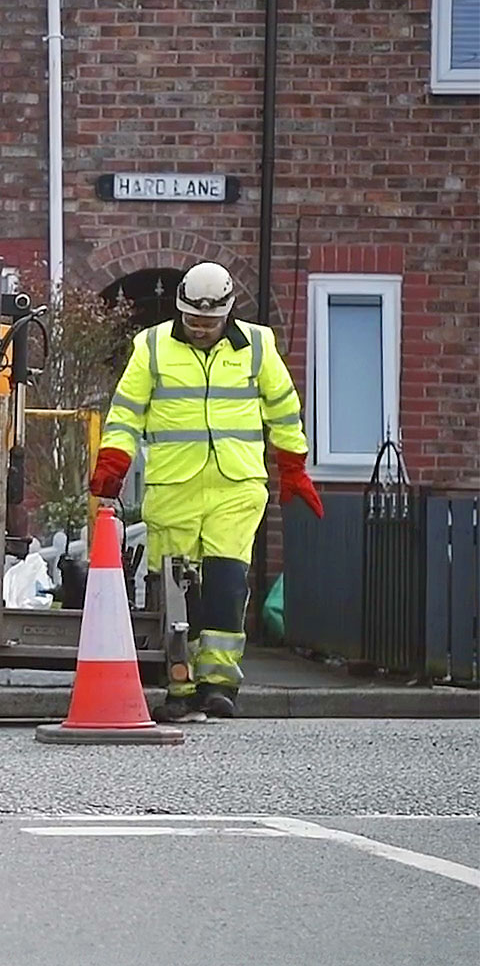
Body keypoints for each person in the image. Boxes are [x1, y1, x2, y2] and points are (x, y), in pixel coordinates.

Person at [88, 262, 325, 722]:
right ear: (180, 309)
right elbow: (126, 413)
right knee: (177, 590)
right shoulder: (152, 346)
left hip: (236, 486)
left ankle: (218, 684)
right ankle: (181, 684)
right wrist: (111, 468)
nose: (199, 329)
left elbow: (283, 408)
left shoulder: (257, 346)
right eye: (193, 320)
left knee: (226, 584)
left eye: (209, 321)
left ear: (227, 313)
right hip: (174, 487)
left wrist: (293, 466)